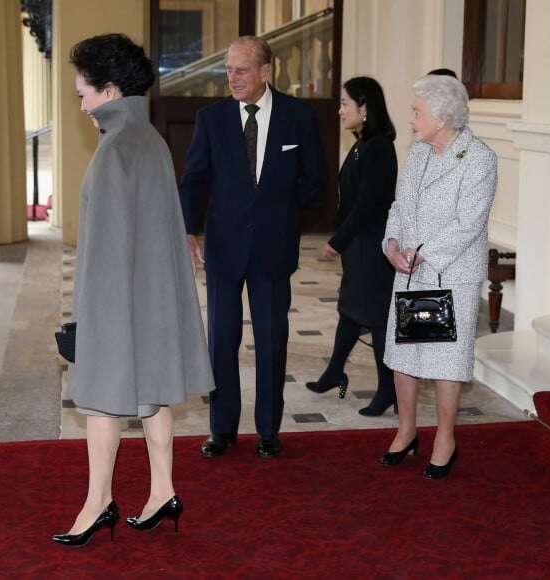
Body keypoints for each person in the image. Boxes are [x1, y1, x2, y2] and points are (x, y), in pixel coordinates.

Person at [52, 33, 215, 547]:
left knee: (100, 400)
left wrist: (82, 320)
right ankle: (163, 489)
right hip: (155, 299)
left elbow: (102, 254)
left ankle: (98, 503)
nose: (79, 104)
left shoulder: (113, 149)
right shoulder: (150, 139)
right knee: (153, 390)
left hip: (116, 302)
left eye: (82, 94)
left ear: (108, 88)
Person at [179, 35, 328, 459]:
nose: (232, 77)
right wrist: (189, 229)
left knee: (271, 341)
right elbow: (194, 179)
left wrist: (282, 213)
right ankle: (222, 430)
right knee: (221, 342)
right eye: (228, 69)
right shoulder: (211, 118)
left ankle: (268, 431)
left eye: (241, 69)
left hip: (273, 248)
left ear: (266, 72)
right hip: (223, 249)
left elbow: (314, 178)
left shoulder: (298, 117)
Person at [379, 74, 497, 479]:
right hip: (409, 270)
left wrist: (423, 254)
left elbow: (470, 223)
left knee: (446, 361)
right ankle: (406, 432)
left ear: (442, 116)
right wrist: (392, 245)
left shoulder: (478, 158)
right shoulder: (417, 153)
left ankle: (445, 439)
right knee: (404, 356)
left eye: (417, 112)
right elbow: (399, 205)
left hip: (452, 274)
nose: (410, 119)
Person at [305, 77, 398, 417]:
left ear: (365, 108)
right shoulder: (361, 144)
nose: (340, 109)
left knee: (375, 318)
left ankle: (388, 389)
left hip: (372, 246)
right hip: (358, 244)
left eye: (346, 103)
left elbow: (369, 205)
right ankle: (334, 371)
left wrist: (337, 239)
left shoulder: (380, 147)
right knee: (349, 308)